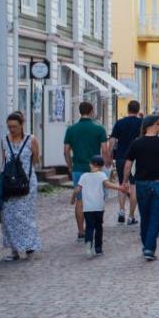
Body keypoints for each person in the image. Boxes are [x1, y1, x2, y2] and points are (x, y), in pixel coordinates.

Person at [122, 114, 159, 260]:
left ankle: (146, 245)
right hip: (158, 183)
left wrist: (124, 180)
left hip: (141, 184)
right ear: (152, 125)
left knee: (145, 215)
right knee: (155, 217)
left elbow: (128, 164)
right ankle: (149, 248)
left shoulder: (136, 143)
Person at [64, 102, 109, 241]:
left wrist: (70, 165)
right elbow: (105, 149)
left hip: (78, 168)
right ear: (91, 111)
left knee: (80, 201)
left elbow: (66, 151)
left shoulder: (71, 129)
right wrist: (104, 165)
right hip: (95, 169)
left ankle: (81, 231)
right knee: (96, 199)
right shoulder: (99, 128)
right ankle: (94, 228)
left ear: (79, 111)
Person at [0, 112, 41, 262]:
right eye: (9, 127)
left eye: (15, 127)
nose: (12, 129)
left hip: (27, 183)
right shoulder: (4, 140)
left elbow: (36, 160)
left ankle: (30, 247)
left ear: (21, 125)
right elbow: (4, 161)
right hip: (10, 184)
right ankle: (14, 249)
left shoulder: (31, 140)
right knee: (9, 216)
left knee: (25, 215)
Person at [73, 156, 127, 258]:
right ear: (101, 167)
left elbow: (77, 190)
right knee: (98, 227)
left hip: (87, 208)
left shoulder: (84, 176)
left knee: (89, 227)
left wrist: (72, 199)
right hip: (98, 206)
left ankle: (88, 244)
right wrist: (120, 188)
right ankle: (98, 249)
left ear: (91, 164)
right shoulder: (101, 175)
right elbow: (108, 185)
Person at [109, 100, 142, 225]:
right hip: (136, 159)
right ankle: (131, 216)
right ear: (138, 110)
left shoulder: (119, 123)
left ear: (128, 109)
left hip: (121, 157)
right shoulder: (142, 123)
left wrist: (108, 156)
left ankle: (121, 211)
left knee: (122, 184)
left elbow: (112, 141)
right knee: (134, 187)